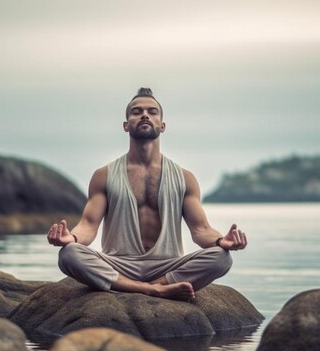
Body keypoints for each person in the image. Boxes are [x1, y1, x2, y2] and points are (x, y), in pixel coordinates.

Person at [47, 88, 247, 300]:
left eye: (152, 112)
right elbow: (88, 225)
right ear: (126, 125)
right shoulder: (103, 175)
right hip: (119, 263)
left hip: (167, 264)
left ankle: (144, 285)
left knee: (222, 259)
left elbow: (201, 229)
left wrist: (220, 241)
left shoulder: (184, 178)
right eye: (136, 112)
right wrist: (73, 238)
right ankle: (153, 289)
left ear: (162, 125)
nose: (144, 115)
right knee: (69, 254)